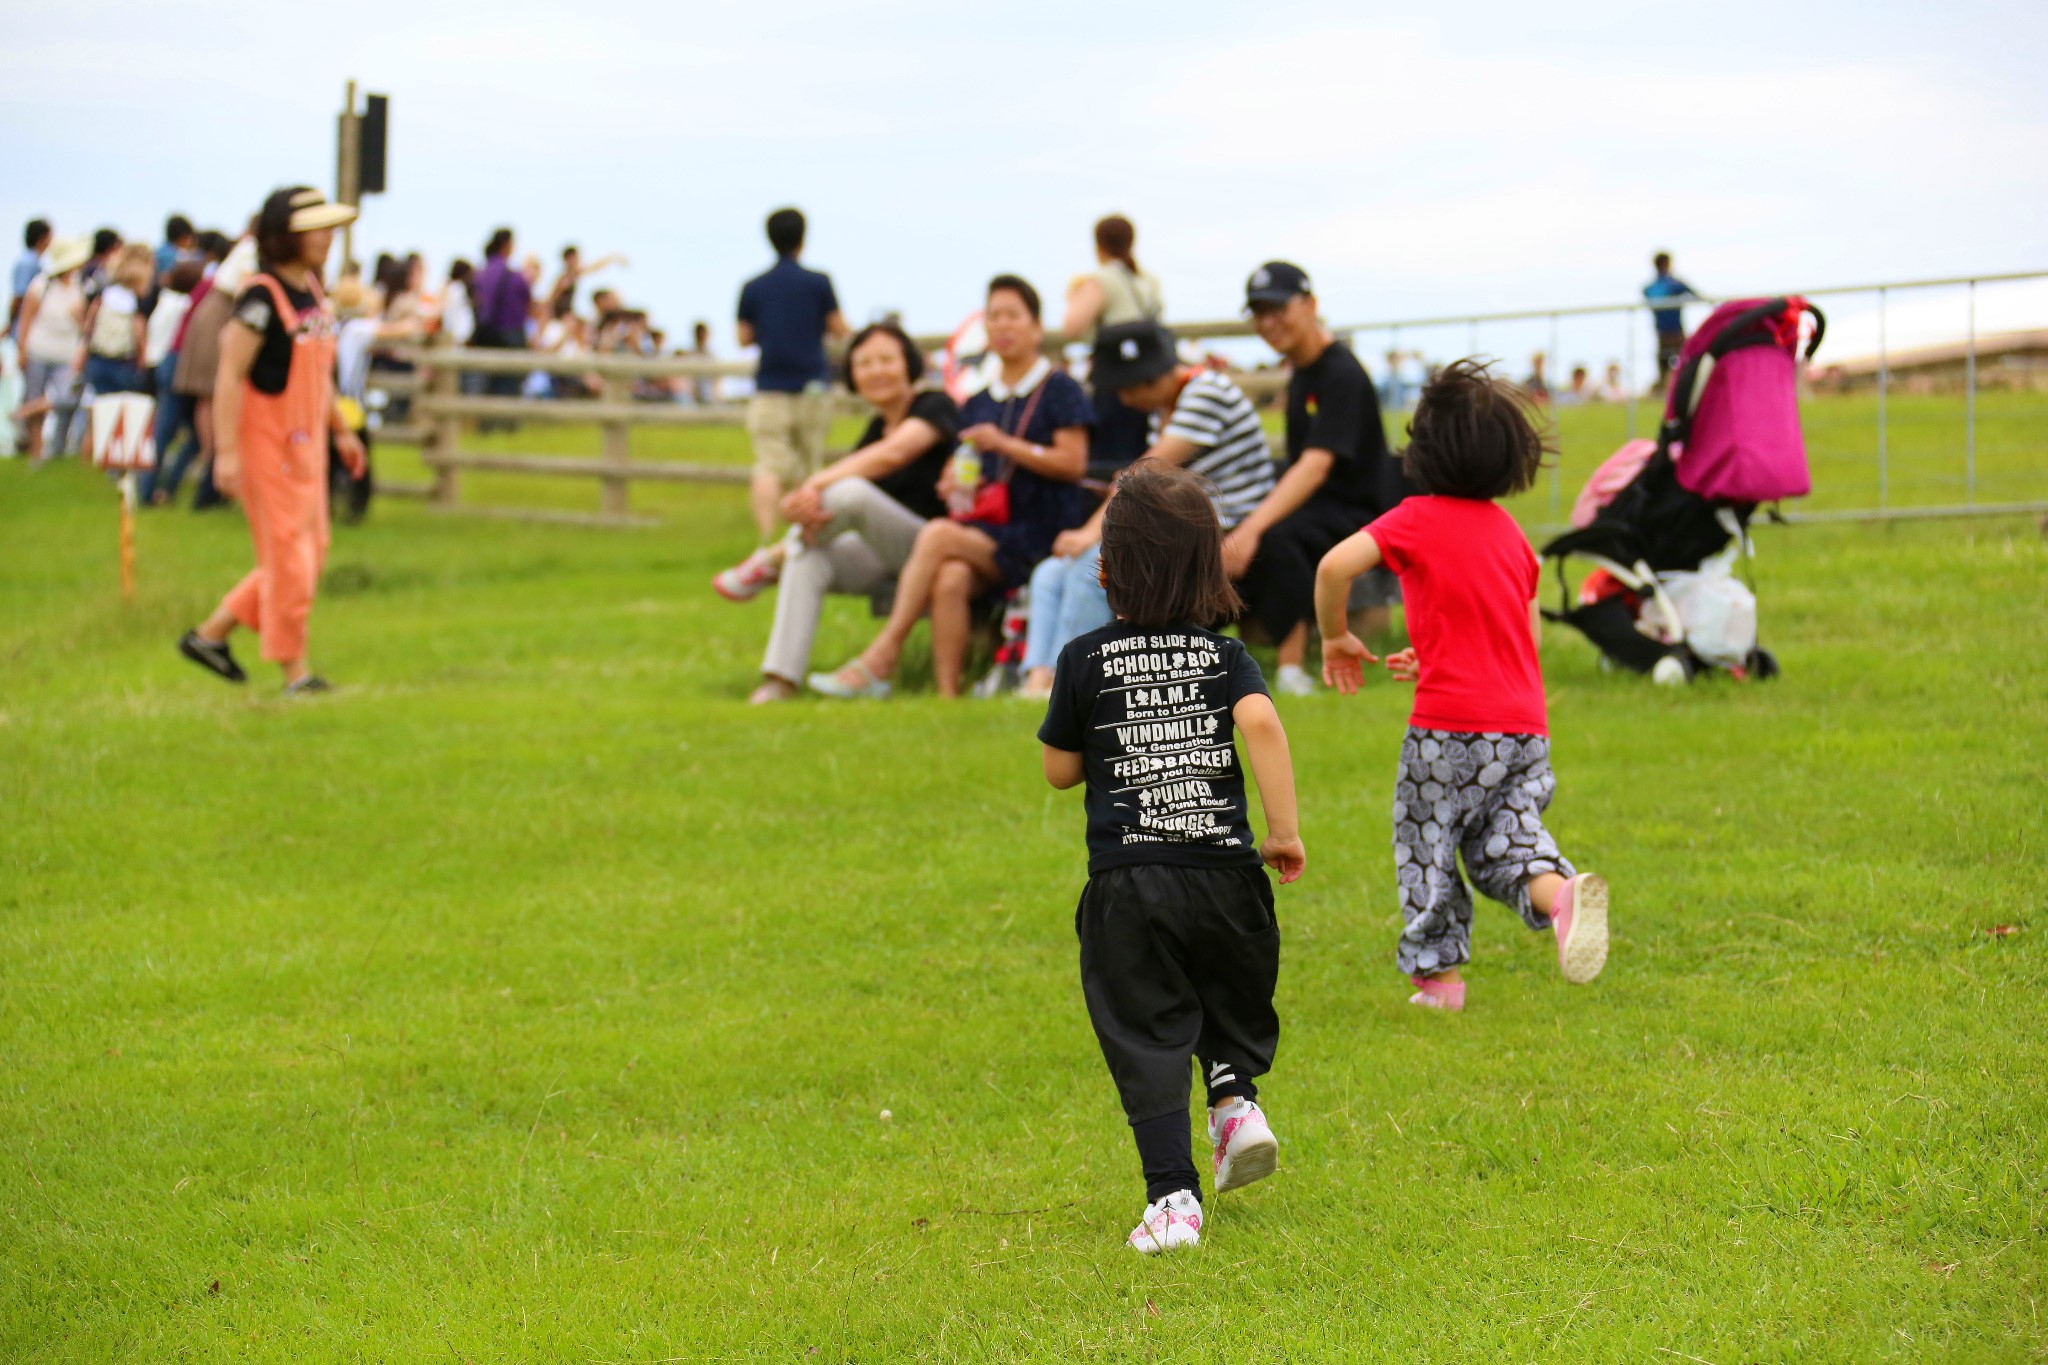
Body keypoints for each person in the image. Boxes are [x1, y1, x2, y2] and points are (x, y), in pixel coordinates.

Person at [1037, 461, 1304, 1255]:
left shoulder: (1085, 659)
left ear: (1105, 569)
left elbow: (1059, 769)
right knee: (1221, 988)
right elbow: (1260, 722)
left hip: (1132, 884)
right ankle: (1234, 1101)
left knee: (1148, 1031)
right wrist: (1281, 831)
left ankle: (1173, 1200)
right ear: (1212, 569)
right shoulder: (1229, 661)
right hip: (1227, 874)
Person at [1313, 359, 1609, 1013]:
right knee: (1505, 833)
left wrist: (1334, 636)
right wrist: (1443, 654)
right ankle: (1560, 895)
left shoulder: (1415, 518)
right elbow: (1522, 640)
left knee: (1427, 839)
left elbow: (1335, 565)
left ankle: (1439, 979)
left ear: (1423, 450)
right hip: (1523, 724)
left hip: (1449, 726)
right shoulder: (1513, 538)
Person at [809, 274, 1088, 699]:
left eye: (1013, 316)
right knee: (951, 575)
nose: (1002, 326)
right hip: (988, 530)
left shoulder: (1059, 388)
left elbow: (1073, 463)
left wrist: (1007, 446)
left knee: (938, 535)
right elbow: (968, 465)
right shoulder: (978, 399)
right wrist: (953, 483)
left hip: (1042, 532)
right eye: (993, 316)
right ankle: (947, 697)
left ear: (1035, 326)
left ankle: (883, 655)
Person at [1018, 319, 1278, 701]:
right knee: (1049, 573)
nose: (1128, 398)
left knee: (1094, 566)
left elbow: (1142, 474)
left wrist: (1091, 532)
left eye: (1135, 385)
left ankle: (1075, 684)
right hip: (1181, 524)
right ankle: (1038, 677)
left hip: (1220, 528)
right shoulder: (1167, 406)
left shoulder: (1207, 390)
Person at [177, 186, 365, 695]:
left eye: (329, 228)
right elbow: (229, 373)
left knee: (313, 553)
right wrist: (228, 455)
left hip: (307, 446)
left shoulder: (312, 291)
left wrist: (342, 431)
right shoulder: (260, 296)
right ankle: (294, 672)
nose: (327, 238)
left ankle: (209, 635)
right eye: (315, 229)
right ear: (287, 235)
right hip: (266, 446)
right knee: (289, 562)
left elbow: (319, 372)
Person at [743, 322, 960, 702]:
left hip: (936, 547)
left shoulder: (934, 405)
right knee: (807, 556)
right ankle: (780, 679)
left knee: (852, 493)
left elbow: (895, 454)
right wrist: (807, 507)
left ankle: (771, 557)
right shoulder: (875, 427)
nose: (876, 371)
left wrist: (812, 486)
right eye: (864, 363)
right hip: (888, 555)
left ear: (908, 363)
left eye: (886, 360)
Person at [1232, 261, 1409, 695]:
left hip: (1357, 513)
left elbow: (1315, 466)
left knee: (1277, 536)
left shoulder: (1340, 372)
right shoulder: (1302, 371)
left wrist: (1252, 528)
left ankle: (1292, 668)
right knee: (1241, 529)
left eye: (1278, 309)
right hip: (1322, 508)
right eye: (1259, 312)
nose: (1269, 323)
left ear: (1310, 305)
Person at [713, 208, 850, 596]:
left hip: (770, 384)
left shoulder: (753, 286)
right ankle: (804, 533)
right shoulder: (819, 282)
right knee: (809, 461)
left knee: (769, 464)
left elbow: (743, 337)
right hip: (811, 384)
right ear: (802, 238)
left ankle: (764, 538)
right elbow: (838, 327)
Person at [1061, 214, 1163, 474]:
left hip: (1115, 378)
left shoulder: (1101, 279)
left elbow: (1071, 326)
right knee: (1142, 458)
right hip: (1151, 375)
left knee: (1109, 464)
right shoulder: (1148, 280)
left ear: (1098, 245)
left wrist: (1074, 295)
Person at [172, 227, 259, 509]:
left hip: (219, 316)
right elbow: (246, 289)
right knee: (210, 393)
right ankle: (213, 463)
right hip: (220, 317)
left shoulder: (247, 249)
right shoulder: (252, 251)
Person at [11, 235, 91, 462]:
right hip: (38, 350)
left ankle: (27, 415)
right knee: (36, 394)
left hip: (66, 354)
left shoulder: (80, 287)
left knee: (66, 399)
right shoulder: (40, 285)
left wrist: (80, 317)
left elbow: (85, 325)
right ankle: (37, 453)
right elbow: (26, 319)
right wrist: (21, 350)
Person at [140, 261, 203, 504]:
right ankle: (155, 490)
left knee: (163, 433)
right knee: (168, 433)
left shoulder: (164, 301)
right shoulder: (183, 305)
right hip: (175, 365)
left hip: (159, 365)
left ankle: (151, 489)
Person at [79, 244, 152, 400]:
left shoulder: (104, 295)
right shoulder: (136, 303)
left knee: (100, 407)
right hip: (124, 362)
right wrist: (143, 363)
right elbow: (139, 333)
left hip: (98, 359)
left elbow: (88, 329)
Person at [472, 228, 532, 411]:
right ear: (507, 246)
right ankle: (506, 423)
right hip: (511, 333)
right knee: (510, 383)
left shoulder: (481, 274)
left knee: (488, 382)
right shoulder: (514, 276)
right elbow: (527, 301)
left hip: (486, 334)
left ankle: (487, 421)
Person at [1644, 251, 1699, 387]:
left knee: (1663, 364)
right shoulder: (1674, 285)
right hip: (1675, 331)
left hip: (1661, 332)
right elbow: (1694, 294)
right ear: (1667, 264)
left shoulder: (1650, 288)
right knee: (1686, 362)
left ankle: (1663, 389)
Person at [547, 244, 625, 315]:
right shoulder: (563, 278)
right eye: (571, 258)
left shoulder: (577, 273)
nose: (574, 261)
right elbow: (551, 298)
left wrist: (614, 258)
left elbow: (596, 266)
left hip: (570, 312)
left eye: (576, 258)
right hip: (560, 313)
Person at [10, 219, 51, 342]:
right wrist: (11, 323)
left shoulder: (34, 261)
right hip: (24, 324)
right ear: (42, 237)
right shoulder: (28, 263)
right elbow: (19, 296)